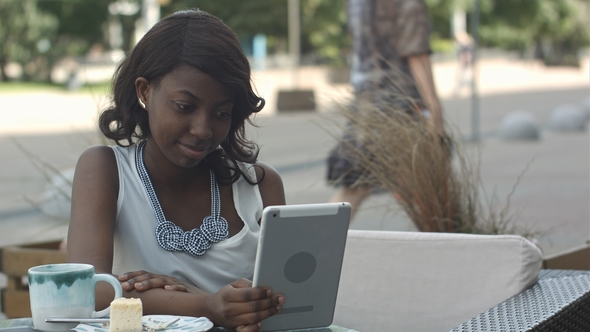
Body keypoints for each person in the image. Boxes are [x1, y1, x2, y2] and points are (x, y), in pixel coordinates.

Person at [67, 9, 285, 332]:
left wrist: (196, 296)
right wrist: (206, 305)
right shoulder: (105, 171)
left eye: (221, 112)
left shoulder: (260, 187)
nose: (202, 129)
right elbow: (85, 290)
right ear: (144, 92)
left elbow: (288, 302)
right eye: (185, 107)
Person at [327, 0, 444, 217]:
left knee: (357, 184)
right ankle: (448, 242)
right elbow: (416, 53)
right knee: (429, 185)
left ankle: (317, 245)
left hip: (366, 99)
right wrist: (434, 108)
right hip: (401, 101)